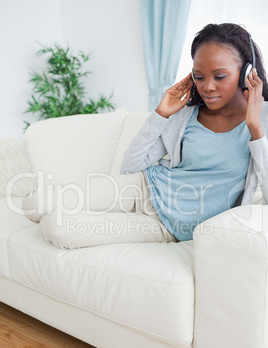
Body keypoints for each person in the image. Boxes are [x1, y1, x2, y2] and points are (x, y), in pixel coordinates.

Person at [23, 23, 268, 249]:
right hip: (142, 187)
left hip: (169, 227)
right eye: (199, 77)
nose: (207, 87)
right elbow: (130, 167)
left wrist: (255, 129)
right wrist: (161, 114)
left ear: (247, 73)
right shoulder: (186, 116)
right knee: (33, 204)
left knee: (55, 226)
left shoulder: (263, 120)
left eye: (220, 76)